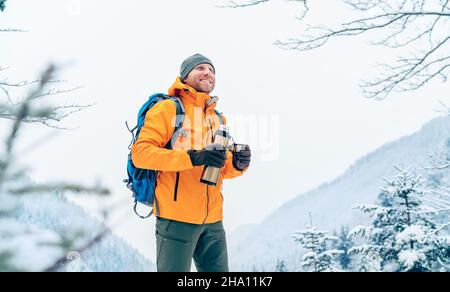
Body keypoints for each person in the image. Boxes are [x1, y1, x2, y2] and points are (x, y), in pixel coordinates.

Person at [131, 54, 251, 272]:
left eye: (212, 70)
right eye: (200, 68)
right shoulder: (167, 109)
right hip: (176, 218)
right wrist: (193, 157)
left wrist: (238, 164)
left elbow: (219, 167)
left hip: (213, 219)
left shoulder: (217, 118)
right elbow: (141, 154)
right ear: (185, 77)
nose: (208, 73)